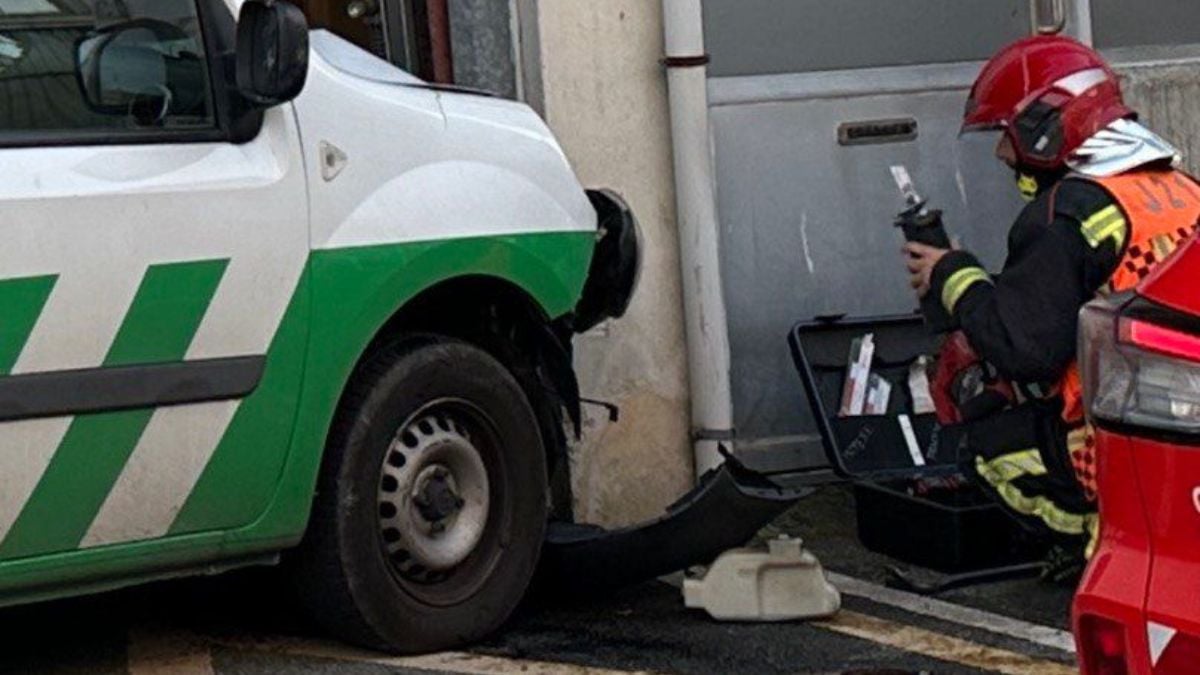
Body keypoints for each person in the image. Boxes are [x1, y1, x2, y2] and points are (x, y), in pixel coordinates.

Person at [904, 35, 1200, 579]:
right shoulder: (1181, 188)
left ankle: (1105, 539)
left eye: (1006, 137)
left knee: (987, 451)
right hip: (1185, 429)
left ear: (1044, 128)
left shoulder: (1069, 213)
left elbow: (1024, 348)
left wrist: (951, 275)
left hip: (1120, 440)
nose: (1001, 154)